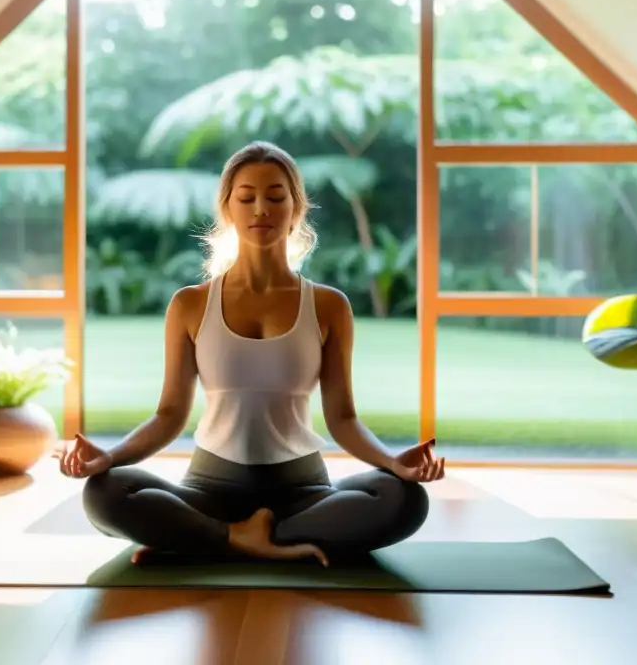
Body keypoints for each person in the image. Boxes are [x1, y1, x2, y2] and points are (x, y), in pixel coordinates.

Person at [57, 141, 445, 567]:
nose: (261, 208)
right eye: (247, 197)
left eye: (276, 197)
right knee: (104, 493)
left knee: (402, 498)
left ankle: (210, 540)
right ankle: (237, 536)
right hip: (208, 490)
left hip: (302, 493)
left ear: (296, 208)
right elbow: (169, 414)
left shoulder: (329, 305)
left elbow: (343, 419)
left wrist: (393, 462)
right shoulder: (190, 304)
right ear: (228, 209)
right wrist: (108, 458)